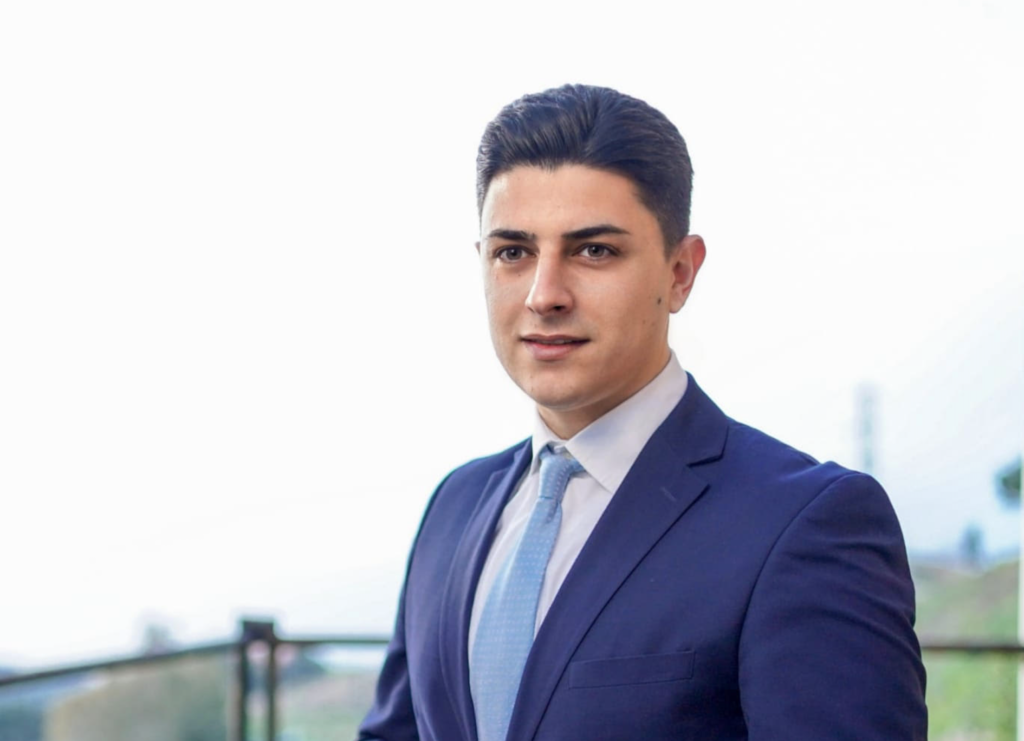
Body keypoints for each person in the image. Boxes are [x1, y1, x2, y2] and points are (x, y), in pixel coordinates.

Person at [358, 84, 927, 741]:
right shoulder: (453, 507)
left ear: (680, 272)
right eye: (513, 252)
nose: (544, 294)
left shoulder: (804, 522)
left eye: (594, 250)